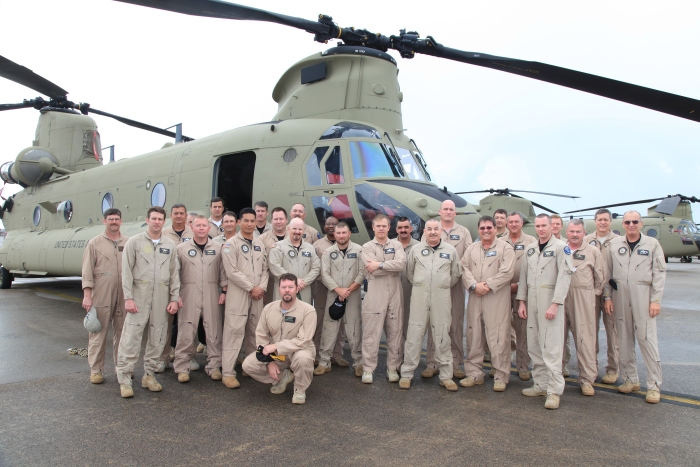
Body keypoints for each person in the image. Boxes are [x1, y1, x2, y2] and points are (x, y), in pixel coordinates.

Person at [116, 207, 180, 398]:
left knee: (158, 336)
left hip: (161, 295)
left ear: (164, 221)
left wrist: (174, 298)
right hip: (139, 296)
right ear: (147, 220)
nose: (157, 222)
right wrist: (128, 297)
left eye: (160, 219)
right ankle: (125, 379)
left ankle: (149, 375)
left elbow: (174, 273)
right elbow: (126, 272)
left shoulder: (169, 245)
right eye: (154, 219)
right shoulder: (134, 242)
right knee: (131, 337)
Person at [604, 211, 665, 404]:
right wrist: (607, 297)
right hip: (620, 296)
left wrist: (655, 300)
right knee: (624, 340)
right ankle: (631, 379)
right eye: (628, 222)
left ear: (641, 224)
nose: (631, 225)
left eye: (635, 222)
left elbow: (659, 273)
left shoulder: (652, 244)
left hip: (643, 296)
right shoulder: (614, 245)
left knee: (647, 341)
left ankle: (654, 385)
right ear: (623, 224)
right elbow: (607, 274)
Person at [516, 214, 572, 410]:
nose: (540, 229)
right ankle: (540, 384)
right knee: (534, 345)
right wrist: (521, 302)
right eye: (538, 226)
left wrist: (556, 304)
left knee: (551, 348)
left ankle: (554, 391)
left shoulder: (560, 248)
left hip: (550, 301)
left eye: (544, 226)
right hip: (532, 302)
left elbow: (564, 277)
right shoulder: (530, 250)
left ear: (552, 227)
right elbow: (524, 278)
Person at [399, 219, 461, 391]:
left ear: (441, 230)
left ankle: (446, 376)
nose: (433, 232)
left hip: (441, 297)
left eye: (436, 229)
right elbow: (410, 273)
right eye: (429, 229)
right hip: (420, 296)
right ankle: (407, 374)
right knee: (414, 334)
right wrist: (422, 285)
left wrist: (440, 286)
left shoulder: (450, 251)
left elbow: (455, 274)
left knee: (442, 335)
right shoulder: (416, 250)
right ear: (424, 231)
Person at [241, 273, 316, 405]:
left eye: (291, 287)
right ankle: (282, 378)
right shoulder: (269, 308)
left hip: (298, 350)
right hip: (278, 354)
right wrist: (269, 361)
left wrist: (276, 347)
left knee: (303, 359)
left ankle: (299, 390)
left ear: (297, 289)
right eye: (284, 287)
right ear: (278, 289)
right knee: (248, 365)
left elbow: (304, 340)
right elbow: (261, 336)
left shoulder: (308, 310)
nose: (287, 290)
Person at [460, 216, 515, 392]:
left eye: (489, 227)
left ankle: (500, 375)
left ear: (495, 229)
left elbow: (507, 272)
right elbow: (463, 268)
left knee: (498, 336)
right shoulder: (471, 249)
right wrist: (474, 285)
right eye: (482, 228)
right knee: (474, 334)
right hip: (476, 295)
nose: (486, 231)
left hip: (496, 297)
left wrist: (488, 285)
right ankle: (474, 374)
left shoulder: (505, 248)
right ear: (478, 230)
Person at [173, 215, 227, 383]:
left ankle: (214, 366)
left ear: (209, 228)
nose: (202, 228)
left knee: (213, 329)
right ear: (192, 228)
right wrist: (175, 295)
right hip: (188, 291)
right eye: (198, 225)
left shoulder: (218, 248)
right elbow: (174, 274)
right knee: (186, 329)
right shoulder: (181, 249)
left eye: (204, 225)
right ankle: (182, 367)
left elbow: (223, 271)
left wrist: (224, 290)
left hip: (212, 290)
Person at [423, 200, 473, 379]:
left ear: (455, 213)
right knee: (434, 323)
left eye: (451, 209)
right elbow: (423, 253)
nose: (448, 212)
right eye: (445, 209)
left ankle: (455, 363)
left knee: (455, 323)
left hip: (456, 283)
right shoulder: (432, 229)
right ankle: (432, 363)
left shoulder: (464, 232)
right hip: (436, 285)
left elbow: (467, 258)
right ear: (439, 211)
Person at [81, 208, 129, 384]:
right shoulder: (95, 243)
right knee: (98, 333)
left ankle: (122, 368)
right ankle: (96, 370)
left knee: (123, 333)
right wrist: (87, 295)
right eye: (111, 219)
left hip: (123, 293)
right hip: (101, 293)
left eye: (117, 219)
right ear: (104, 221)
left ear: (121, 221)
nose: (114, 221)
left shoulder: (128, 243)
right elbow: (87, 271)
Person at [360, 214, 406, 384]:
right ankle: (368, 369)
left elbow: (401, 265)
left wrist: (379, 264)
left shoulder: (397, 245)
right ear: (373, 228)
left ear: (389, 228)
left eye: (384, 226)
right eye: (378, 226)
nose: (381, 229)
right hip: (375, 292)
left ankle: (392, 368)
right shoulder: (366, 247)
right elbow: (371, 270)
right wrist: (388, 266)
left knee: (395, 331)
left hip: (395, 292)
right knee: (371, 332)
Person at [315, 222, 365, 377]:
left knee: (354, 328)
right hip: (333, 294)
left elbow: (362, 272)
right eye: (338, 233)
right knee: (329, 328)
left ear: (349, 233)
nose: (341, 236)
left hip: (353, 294)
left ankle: (358, 363)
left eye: (344, 232)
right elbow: (325, 274)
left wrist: (348, 290)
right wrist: (338, 290)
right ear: (334, 234)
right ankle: (324, 362)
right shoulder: (328, 252)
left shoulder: (359, 250)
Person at [561, 219, 604, 396]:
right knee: (558, 339)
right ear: (567, 232)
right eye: (571, 231)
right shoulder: (559, 248)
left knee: (585, 339)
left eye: (578, 231)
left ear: (584, 233)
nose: (575, 234)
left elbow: (600, 277)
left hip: (583, 297)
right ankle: (557, 376)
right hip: (561, 296)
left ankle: (587, 379)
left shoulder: (593, 252)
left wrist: (591, 296)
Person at [583, 208, 620, 384]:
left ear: (610, 222)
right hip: (590, 293)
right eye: (600, 220)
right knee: (590, 332)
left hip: (611, 293)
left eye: (606, 220)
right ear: (595, 221)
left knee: (613, 332)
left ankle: (613, 369)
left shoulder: (619, 241)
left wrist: (607, 296)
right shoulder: (586, 241)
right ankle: (592, 367)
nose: (603, 223)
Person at [159, 204, 195, 371]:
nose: (179, 216)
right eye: (176, 214)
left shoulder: (193, 231)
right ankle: (163, 357)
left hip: (189, 283)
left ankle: (188, 357)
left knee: (188, 323)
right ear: (170, 216)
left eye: (182, 213)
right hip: (168, 284)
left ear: (186, 215)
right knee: (166, 323)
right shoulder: (163, 233)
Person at [504, 212, 536, 381]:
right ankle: (503, 364)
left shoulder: (531, 243)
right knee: (502, 328)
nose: (513, 224)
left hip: (523, 291)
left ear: (522, 223)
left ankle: (523, 365)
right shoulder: (500, 242)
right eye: (511, 222)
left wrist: (519, 286)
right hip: (502, 291)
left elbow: (535, 268)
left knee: (522, 329)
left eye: (517, 221)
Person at [312, 216, 347, 366]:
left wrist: (340, 288)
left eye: (334, 224)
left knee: (340, 322)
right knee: (320, 322)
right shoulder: (317, 245)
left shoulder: (345, 244)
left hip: (342, 291)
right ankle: (318, 355)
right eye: (328, 224)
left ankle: (337, 355)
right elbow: (315, 268)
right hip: (322, 288)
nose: (331, 226)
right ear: (324, 227)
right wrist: (332, 284)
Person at [268, 217, 320, 305]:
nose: (297, 231)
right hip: (284, 291)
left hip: (304, 290)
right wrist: (294, 281)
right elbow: (274, 266)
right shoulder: (278, 247)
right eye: (294, 228)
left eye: (300, 229)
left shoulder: (310, 248)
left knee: (303, 316)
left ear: (303, 230)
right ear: (288, 229)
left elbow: (316, 267)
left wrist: (305, 282)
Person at [258, 207, 289, 304]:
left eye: (281, 219)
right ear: (271, 221)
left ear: (286, 220)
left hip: (289, 282)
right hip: (269, 283)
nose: (278, 222)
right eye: (276, 219)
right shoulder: (262, 239)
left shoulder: (294, 238)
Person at [396, 217, 420, 343]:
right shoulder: (390, 245)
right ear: (396, 230)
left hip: (411, 290)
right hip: (393, 290)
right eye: (400, 227)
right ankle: (395, 352)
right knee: (392, 323)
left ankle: (406, 352)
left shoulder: (419, 246)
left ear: (411, 229)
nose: (403, 230)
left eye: (406, 227)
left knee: (409, 322)